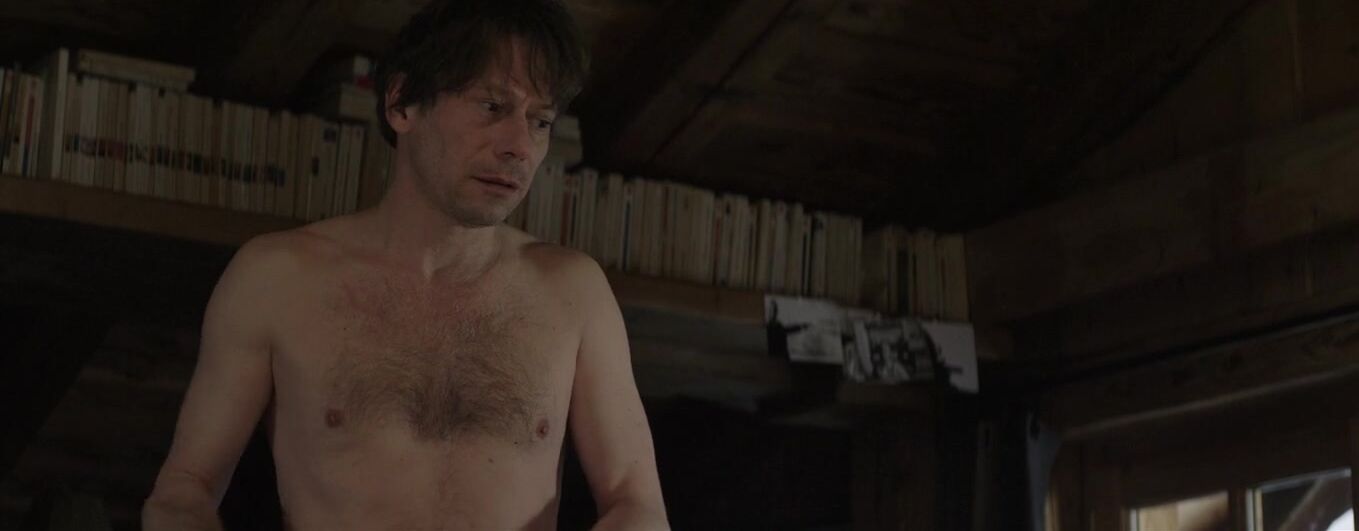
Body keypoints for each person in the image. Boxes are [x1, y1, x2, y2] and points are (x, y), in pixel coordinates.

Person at [142, 1, 669, 529]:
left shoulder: (573, 292)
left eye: (540, 122)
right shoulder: (275, 278)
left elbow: (637, 503)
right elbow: (184, 491)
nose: (519, 147)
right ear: (401, 103)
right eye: (492, 107)